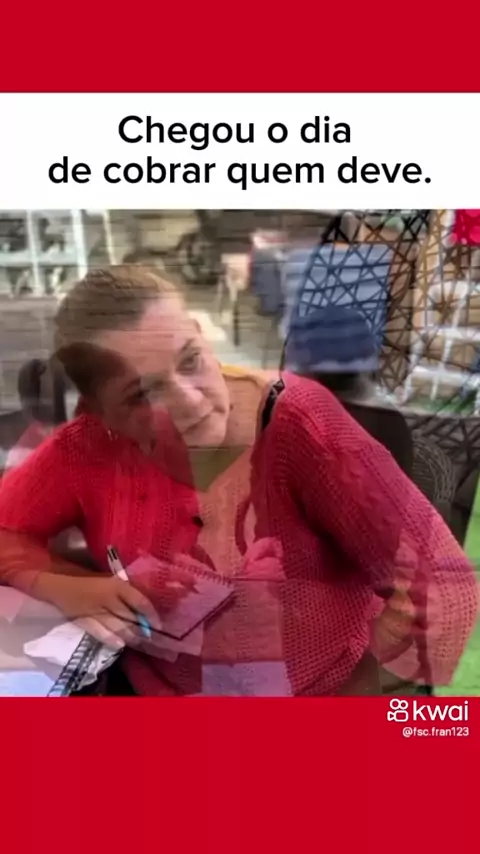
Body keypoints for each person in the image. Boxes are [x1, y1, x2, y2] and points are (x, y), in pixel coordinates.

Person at [0, 266, 476, 696]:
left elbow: (441, 588)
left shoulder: (298, 425)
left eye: (190, 360)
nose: (190, 400)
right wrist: (73, 589)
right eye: (142, 394)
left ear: (201, 335)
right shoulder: (87, 446)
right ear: (99, 412)